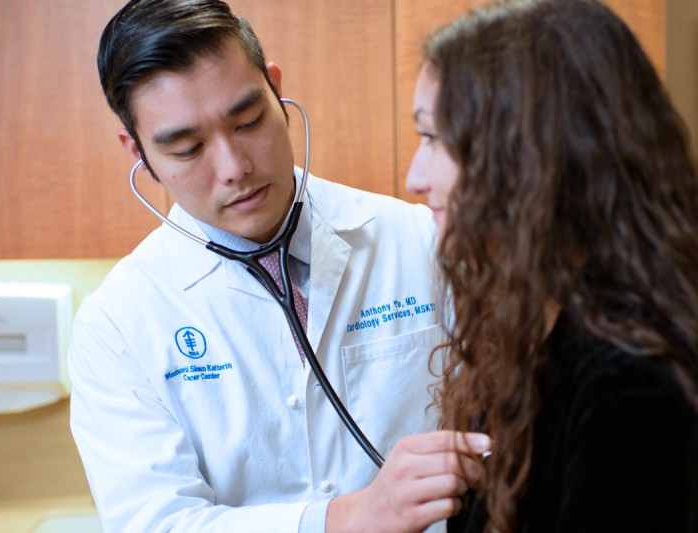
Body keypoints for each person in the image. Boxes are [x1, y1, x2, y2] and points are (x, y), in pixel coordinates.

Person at [68, 1, 491, 532]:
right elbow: (157, 523)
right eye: (188, 148)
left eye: (248, 121)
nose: (234, 168)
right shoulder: (118, 324)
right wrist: (342, 519)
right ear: (139, 153)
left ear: (275, 89)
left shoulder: (423, 242)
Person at [405, 0, 698, 531]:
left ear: (525, 157)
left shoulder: (632, 388)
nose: (414, 178)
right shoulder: (535, 330)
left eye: (433, 139)